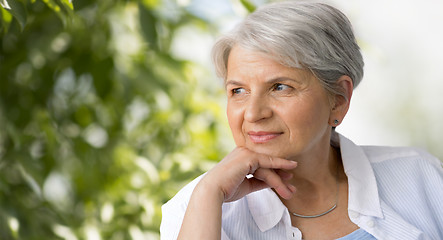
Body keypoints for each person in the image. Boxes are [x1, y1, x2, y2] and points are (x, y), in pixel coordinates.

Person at [160, 1, 443, 239]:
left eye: (280, 87)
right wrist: (210, 190)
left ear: (338, 98)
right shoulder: (196, 208)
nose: (253, 113)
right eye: (238, 91)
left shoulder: (422, 177)